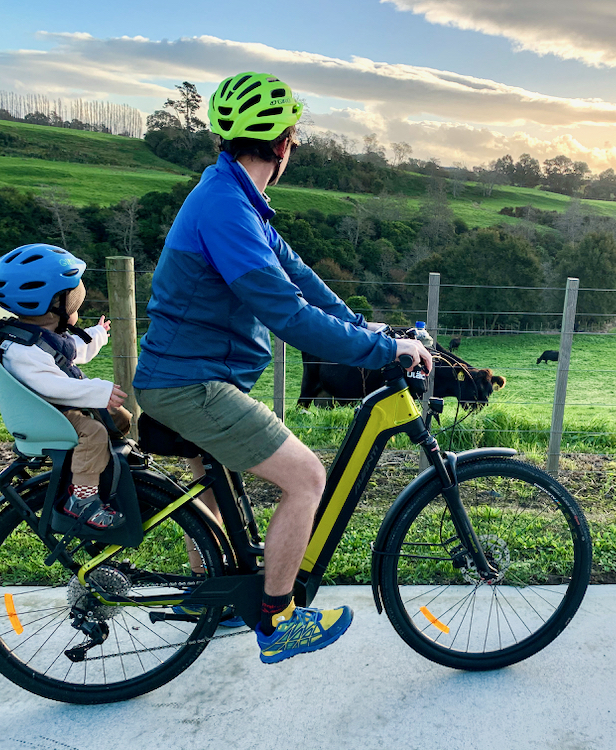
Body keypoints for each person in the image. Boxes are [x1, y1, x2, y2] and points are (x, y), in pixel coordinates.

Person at [132, 71, 432, 664]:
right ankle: (277, 619)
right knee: (307, 479)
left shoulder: (236, 196)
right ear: (283, 142)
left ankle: (210, 598)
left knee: (213, 498)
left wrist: (368, 327)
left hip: (186, 374)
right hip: (191, 383)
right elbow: (286, 314)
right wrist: (380, 353)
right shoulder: (225, 207)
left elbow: (299, 278)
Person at [0, 244, 132, 530]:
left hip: (55, 409)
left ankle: (103, 476)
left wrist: (96, 335)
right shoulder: (22, 351)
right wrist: (97, 390)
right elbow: (52, 386)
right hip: (45, 414)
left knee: (120, 420)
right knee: (92, 432)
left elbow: (70, 353)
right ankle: (81, 502)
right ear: (55, 303)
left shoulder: (38, 338)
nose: (78, 306)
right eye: (75, 300)